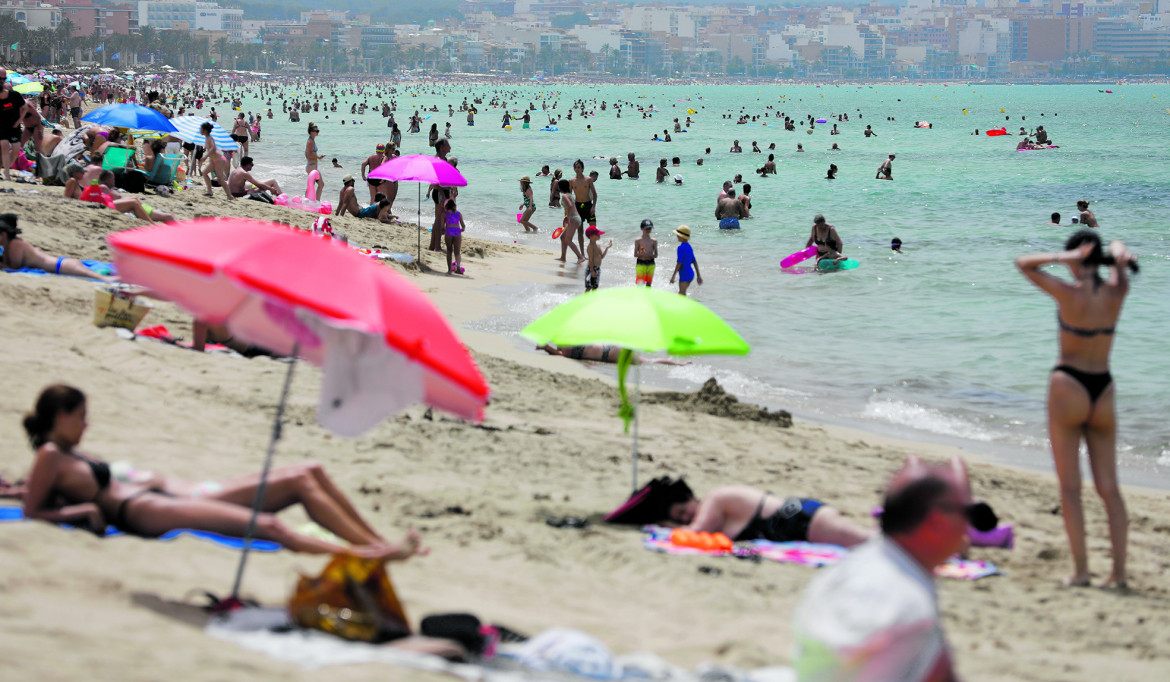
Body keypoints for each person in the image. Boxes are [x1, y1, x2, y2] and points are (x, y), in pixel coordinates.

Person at [19, 384, 426, 561]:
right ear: (59, 417)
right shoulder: (51, 455)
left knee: (308, 471)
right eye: (81, 417)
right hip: (143, 511)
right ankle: (369, 555)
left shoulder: (64, 452)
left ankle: (377, 545)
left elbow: (39, 492)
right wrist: (75, 513)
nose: (87, 424)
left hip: (163, 498)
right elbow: (35, 510)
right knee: (269, 525)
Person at [1016, 230, 1137, 588]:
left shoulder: (1067, 292)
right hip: (1103, 388)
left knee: (1070, 488)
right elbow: (1119, 259)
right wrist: (1118, 253)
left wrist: (1063, 257)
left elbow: (1023, 264)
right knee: (1110, 489)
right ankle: (1119, 574)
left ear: (1075, 260)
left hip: (1068, 384)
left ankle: (1082, 571)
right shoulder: (1118, 290)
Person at [791, 456, 974, 682]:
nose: (969, 525)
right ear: (937, 522)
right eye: (967, 513)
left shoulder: (860, 565)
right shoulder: (905, 600)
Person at [653, 480, 871, 547]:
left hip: (800, 519)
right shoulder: (719, 519)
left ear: (692, 498)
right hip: (797, 526)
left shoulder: (715, 498)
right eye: (678, 518)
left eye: (682, 511)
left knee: (870, 542)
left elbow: (696, 532)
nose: (684, 518)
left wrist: (670, 528)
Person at [0, 214, 115, 282]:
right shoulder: (7, 246)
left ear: (4, 235)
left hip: (62, 266)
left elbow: (13, 267)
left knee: (103, 280)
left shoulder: (15, 244)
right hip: (61, 265)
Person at [537, 344, 690, 365]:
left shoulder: (569, 351)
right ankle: (678, 364)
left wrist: (545, 347)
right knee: (648, 361)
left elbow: (557, 353)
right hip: (611, 350)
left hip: (611, 353)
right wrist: (545, 347)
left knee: (648, 361)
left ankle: (679, 364)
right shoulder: (572, 349)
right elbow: (557, 353)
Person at [0, 71, 28, 183]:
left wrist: (19, 121)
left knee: (16, 150)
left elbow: (25, 107)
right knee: (5, 146)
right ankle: (6, 173)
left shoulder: (14, 96)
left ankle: (5, 167)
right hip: (2, 126)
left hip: (14, 126)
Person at [200, 122, 234, 200]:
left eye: (201, 129)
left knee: (220, 179)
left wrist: (205, 157)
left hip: (220, 160)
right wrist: (210, 160)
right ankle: (209, 191)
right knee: (204, 173)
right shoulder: (207, 138)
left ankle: (229, 195)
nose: (200, 130)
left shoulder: (209, 138)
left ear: (205, 130)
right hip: (214, 160)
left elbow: (213, 148)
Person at [557, 179, 585, 264]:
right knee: (562, 237)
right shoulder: (570, 194)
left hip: (573, 218)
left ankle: (580, 257)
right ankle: (563, 257)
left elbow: (570, 205)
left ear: (561, 187)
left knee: (568, 240)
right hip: (576, 218)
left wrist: (568, 218)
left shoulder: (565, 196)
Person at [669, 225, 701, 296]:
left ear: (682, 236)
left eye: (678, 235)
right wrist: (698, 276)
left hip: (685, 275)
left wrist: (673, 276)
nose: (677, 236)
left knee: (681, 294)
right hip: (691, 274)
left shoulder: (680, 248)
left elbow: (679, 263)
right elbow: (694, 262)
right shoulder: (689, 247)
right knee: (682, 293)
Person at [584, 226, 611, 293]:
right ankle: (584, 301)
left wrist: (607, 248)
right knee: (589, 287)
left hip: (597, 269)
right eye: (597, 234)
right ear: (591, 236)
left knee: (595, 287)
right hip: (591, 269)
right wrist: (592, 271)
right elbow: (590, 260)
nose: (599, 235)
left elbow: (601, 257)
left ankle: (592, 301)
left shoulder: (598, 246)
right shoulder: (590, 246)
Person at [634, 219, 658, 287]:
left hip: (651, 263)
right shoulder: (638, 240)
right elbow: (635, 254)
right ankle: (639, 297)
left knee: (649, 284)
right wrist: (640, 254)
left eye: (650, 228)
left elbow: (656, 255)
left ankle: (647, 297)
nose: (648, 230)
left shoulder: (654, 241)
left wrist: (650, 255)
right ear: (642, 228)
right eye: (647, 228)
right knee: (640, 283)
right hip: (640, 263)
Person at [305, 122, 324, 198]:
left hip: (312, 166)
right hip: (311, 167)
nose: (318, 132)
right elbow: (308, 154)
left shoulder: (311, 140)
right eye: (316, 131)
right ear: (311, 132)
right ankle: (317, 201)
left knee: (311, 185)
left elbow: (306, 154)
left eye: (318, 131)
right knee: (321, 184)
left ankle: (307, 200)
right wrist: (318, 157)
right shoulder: (310, 142)